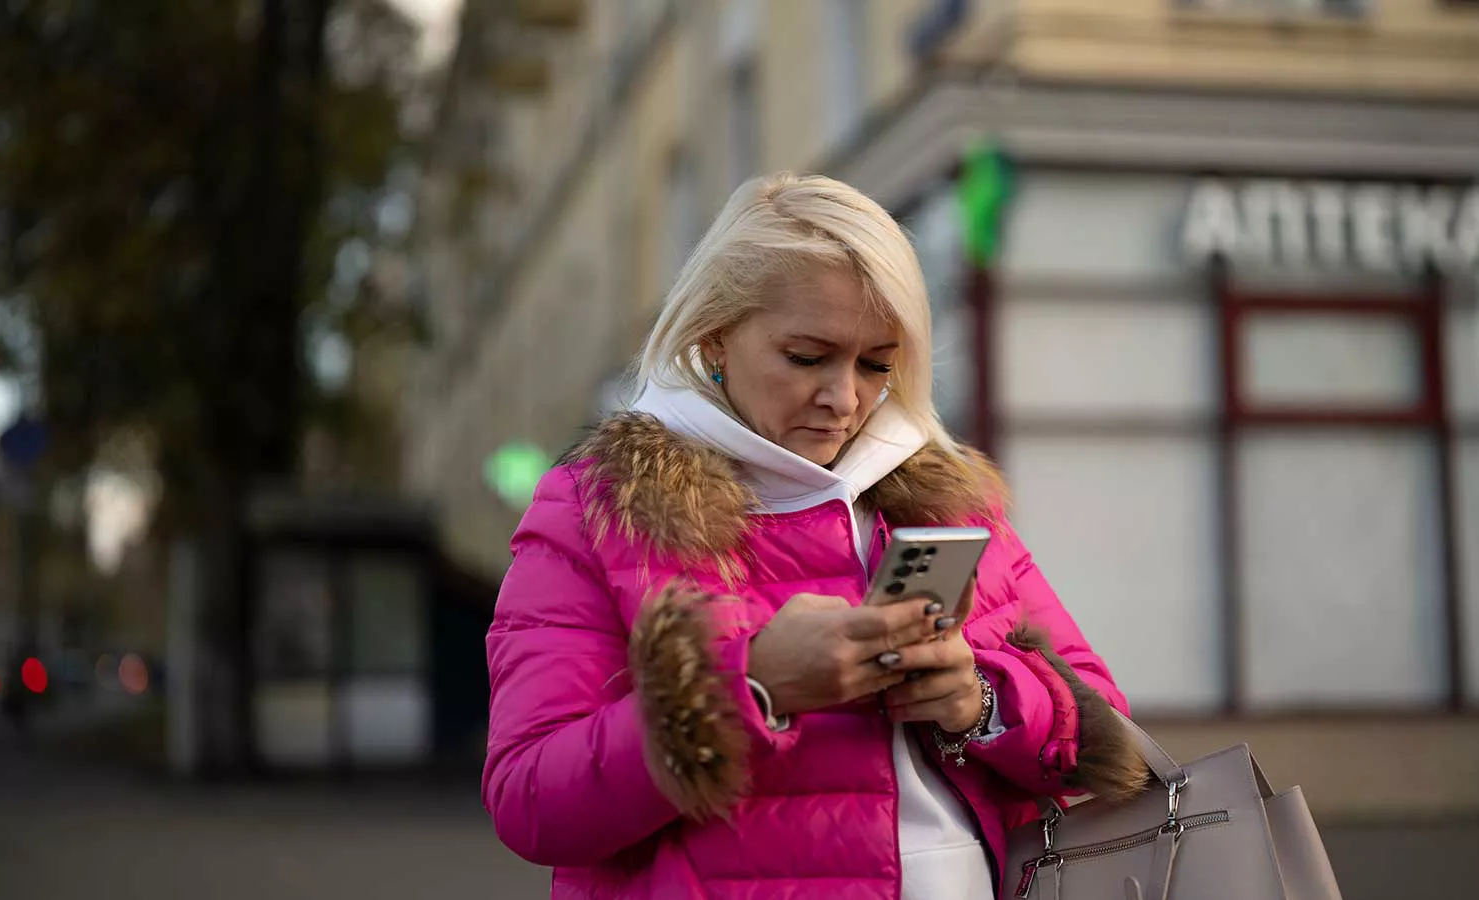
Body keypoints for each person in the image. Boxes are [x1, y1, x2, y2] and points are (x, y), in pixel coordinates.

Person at [483, 173, 1147, 898]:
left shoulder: (945, 501)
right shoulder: (599, 510)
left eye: (876, 365)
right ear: (715, 339)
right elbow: (530, 801)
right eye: (807, 357)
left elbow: (1108, 734)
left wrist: (980, 702)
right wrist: (754, 685)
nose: (845, 399)